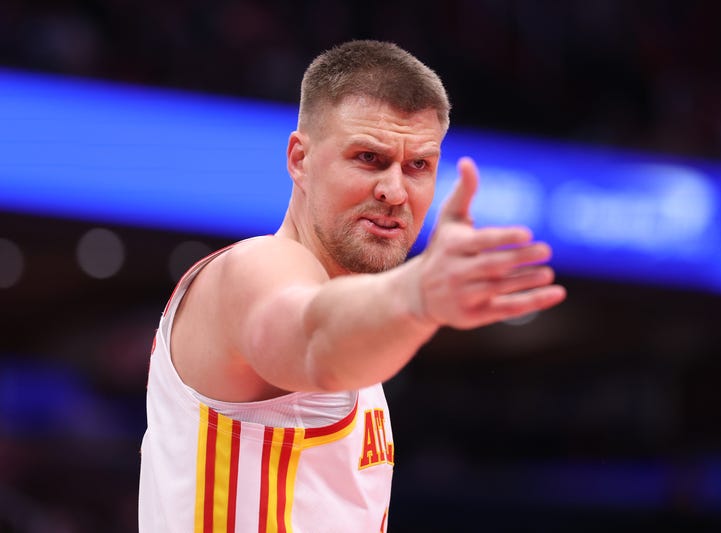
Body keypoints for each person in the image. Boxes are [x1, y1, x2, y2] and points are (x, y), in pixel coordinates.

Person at [138, 39, 566, 532]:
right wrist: (418, 296)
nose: (394, 191)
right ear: (300, 159)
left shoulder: (357, 316)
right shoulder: (255, 270)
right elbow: (313, 337)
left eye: (418, 166)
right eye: (368, 158)